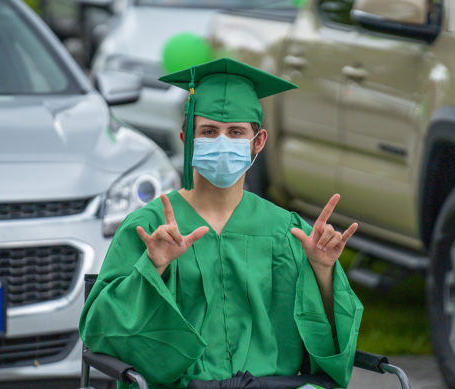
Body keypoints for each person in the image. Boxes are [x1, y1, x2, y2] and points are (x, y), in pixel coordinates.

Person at [79, 58, 363, 389]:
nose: (223, 143)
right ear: (187, 138)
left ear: (258, 142)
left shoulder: (288, 232)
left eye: (236, 132)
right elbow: (101, 330)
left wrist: (323, 271)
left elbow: (328, 348)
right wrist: (151, 267)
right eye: (209, 132)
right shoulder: (148, 227)